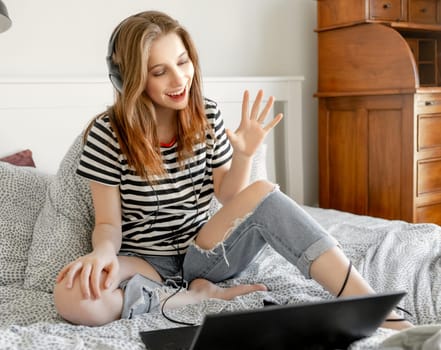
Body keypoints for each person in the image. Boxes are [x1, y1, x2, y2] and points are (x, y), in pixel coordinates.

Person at [53, 10, 412, 329]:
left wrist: (243, 156)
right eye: (159, 72)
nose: (179, 80)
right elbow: (108, 224)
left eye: (183, 62)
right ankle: (192, 298)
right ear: (127, 79)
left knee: (264, 191)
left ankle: (380, 312)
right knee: (69, 295)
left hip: (203, 252)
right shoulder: (106, 133)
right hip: (146, 263)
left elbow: (227, 194)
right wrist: (102, 253)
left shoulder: (206, 113)